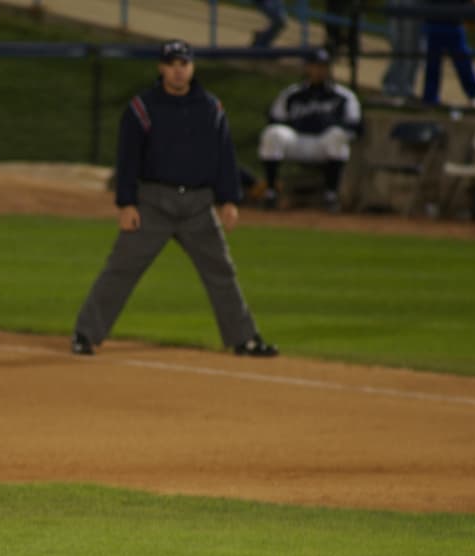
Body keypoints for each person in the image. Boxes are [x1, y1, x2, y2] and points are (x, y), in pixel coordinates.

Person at [71, 40, 277, 358]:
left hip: (198, 206)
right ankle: (85, 334)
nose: (178, 71)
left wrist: (229, 200)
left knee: (221, 270)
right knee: (122, 268)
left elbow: (224, 156)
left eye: (184, 64)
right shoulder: (142, 107)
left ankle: (244, 338)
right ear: (161, 68)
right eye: (172, 65)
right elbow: (128, 158)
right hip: (153, 204)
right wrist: (126, 203)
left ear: (192, 68)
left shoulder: (211, 107)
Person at [257, 48, 363, 212]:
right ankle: (271, 192)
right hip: (297, 141)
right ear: (307, 67)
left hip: (323, 144)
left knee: (337, 135)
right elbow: (275, 119)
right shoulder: (292, 94)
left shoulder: (344, 96)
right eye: (315, 66)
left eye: (323, 66)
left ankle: (331, 195)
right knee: (273, 133)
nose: (319, 70)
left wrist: (330, 124)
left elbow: (355, 125)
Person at [421, 0, 475, 107]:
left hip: (453, 23)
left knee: (463, 62)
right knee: (432, 64)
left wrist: (474, 6)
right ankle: (430, 98)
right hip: (434, 21)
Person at [381, 0, 424, 102]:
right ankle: (397, 87)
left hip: (412, 7)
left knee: (410, 49)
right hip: (405, 6)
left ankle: (400, 87)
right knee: (404, 49)